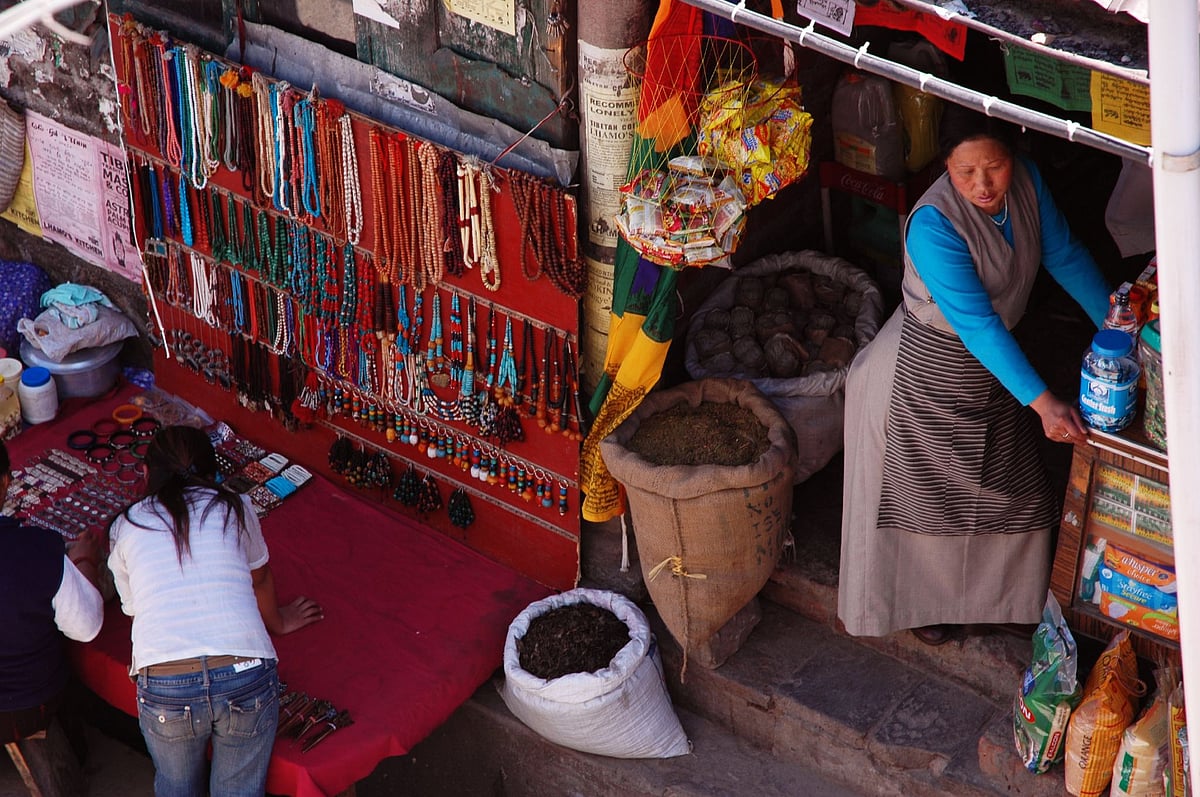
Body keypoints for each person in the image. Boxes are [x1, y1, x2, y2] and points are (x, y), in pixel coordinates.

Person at [837, 106, 1112, 646]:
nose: (983, 185)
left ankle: (1003, 600)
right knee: (924, 507)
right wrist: (1044, 402)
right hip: (920, 376)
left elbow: (1066, 256)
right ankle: (922, 606)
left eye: (995, 167)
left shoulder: (1028, 184)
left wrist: (1118, 323)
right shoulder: (932, 225)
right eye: (966, 173)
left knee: (1014, 491)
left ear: (1015, 158)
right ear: (945, 166)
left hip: (994, 373)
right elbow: (979, 326)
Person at [108, 425, 323, 796]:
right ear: (212, 473)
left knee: (176, 787)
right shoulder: (234, 506)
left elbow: (135, 608)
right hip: (245, 676)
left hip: (166, 687)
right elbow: (260, 576)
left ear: (146, 473)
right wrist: (279, 621)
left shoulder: (127, 525)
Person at [0, 437, 104, 743]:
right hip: (27, 708)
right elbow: (87, 628)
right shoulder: (37, 548)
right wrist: (84, 561)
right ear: (5, 482)